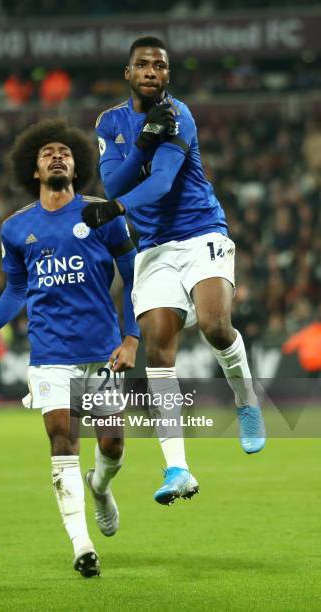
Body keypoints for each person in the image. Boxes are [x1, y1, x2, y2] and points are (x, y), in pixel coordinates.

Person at [82, 36, 265, 507]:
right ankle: (177, 467)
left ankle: (246, 401)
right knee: (158, 353)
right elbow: (113, 179)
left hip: (201, 229)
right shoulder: (110, 122)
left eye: (159, 66)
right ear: (128, 73)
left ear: (167, 75)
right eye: (142, 65)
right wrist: (141, 145)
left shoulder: (178, 114)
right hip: (155, 248)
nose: (150, 72)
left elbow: (161, 184)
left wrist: (120, 203)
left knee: (214, 325)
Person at [0, 119, 139, 577]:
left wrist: (131, 337)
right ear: (35, 169)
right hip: (50, 356)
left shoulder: (103, 214)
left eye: (64, 150)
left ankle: (100, 488)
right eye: (47, 153)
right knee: (62, 440)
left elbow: (134, 278)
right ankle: (82, 546)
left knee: (114, 445)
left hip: (102, 351)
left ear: (76, 163)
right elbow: (17, 290)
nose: (57, 156)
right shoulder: (15, 228)